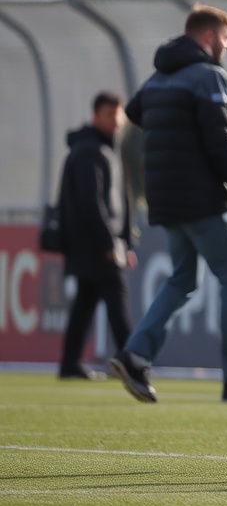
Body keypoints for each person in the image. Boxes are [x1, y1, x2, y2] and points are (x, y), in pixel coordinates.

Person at [109, 4, 227, 404]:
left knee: (183, 279)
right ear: (209, 38)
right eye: (226, 40)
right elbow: (221, 144)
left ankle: (136, 352)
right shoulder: (209, 77)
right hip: (201, 198)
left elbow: (133, 111)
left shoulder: (161, 76)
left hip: (164, 198)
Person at [57, 91, 137, 380]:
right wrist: (110, 243)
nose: (117, 121)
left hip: (99, 245)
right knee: (117, 301)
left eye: (119, 115)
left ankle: (69, 365)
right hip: (96, 246)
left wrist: (126, 240)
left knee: (84, 304)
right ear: (96, 115)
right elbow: (91, 203)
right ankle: (131, 364)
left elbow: (121, 200)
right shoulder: (90, 150)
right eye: (110, 115)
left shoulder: (105, 149)